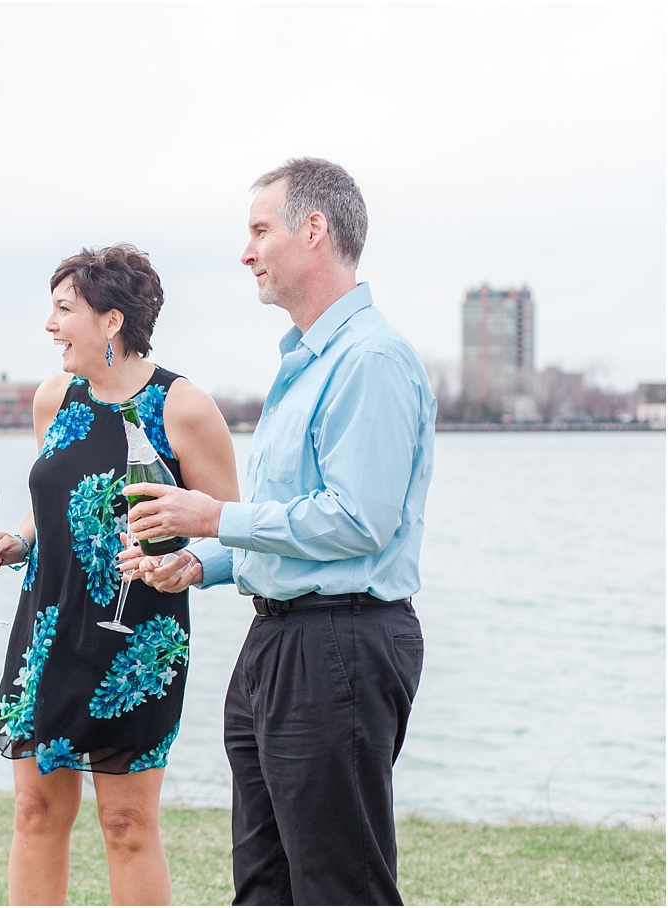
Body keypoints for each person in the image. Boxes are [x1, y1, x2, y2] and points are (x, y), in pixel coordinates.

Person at [121, 158, 436, 906]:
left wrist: (213, 516)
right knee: (265, 886)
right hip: (278, 644)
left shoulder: (371, 360)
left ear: (315, 231)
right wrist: (205, 563)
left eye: (260, 230)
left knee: (339, 889)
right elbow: (294, 520)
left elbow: (358, 522)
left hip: (340, 646)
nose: (247, 251)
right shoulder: (303, 365)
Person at [0, 244, 239, 906]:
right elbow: (52, 503)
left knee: (126, 825)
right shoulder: (54, 397)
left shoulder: (183, 407)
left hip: (137, 642)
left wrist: (187, 563)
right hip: (47, 631)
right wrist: (15, 542)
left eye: (64, 309)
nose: (50, 325)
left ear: (111, 321)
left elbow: (235, 526)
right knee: (35, 811)